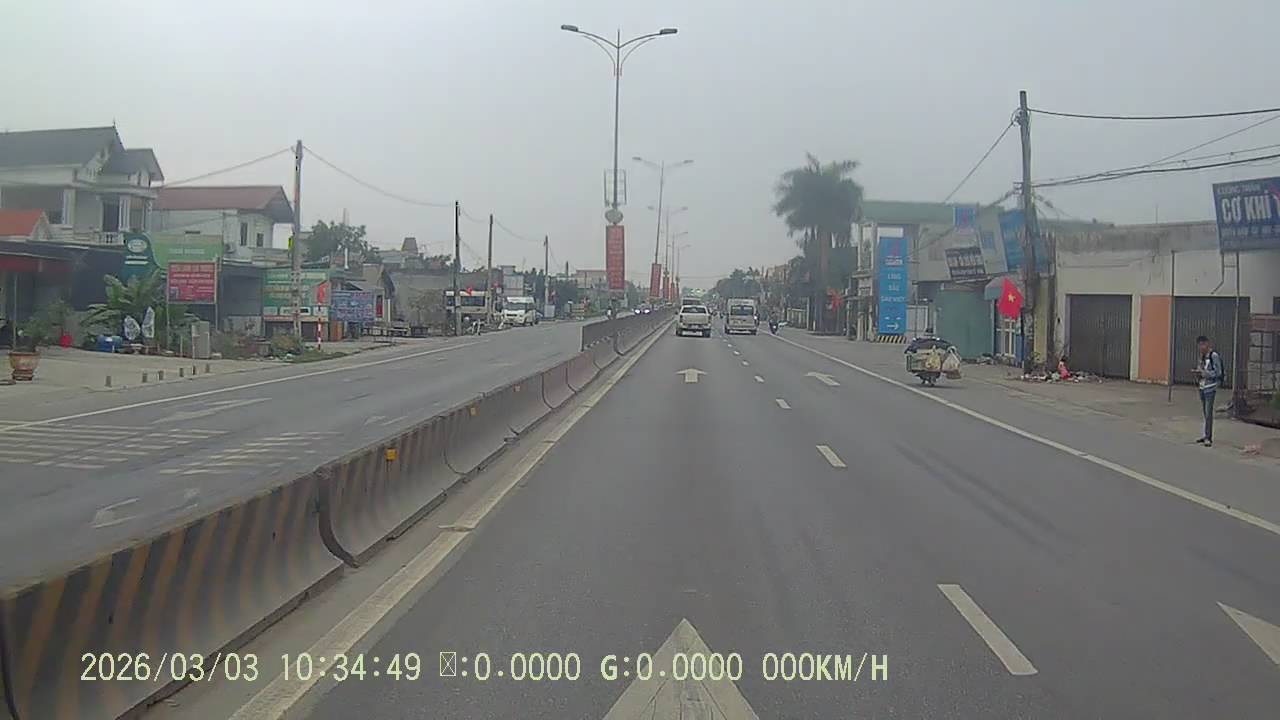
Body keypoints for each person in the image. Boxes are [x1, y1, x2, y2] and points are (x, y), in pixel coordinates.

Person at [1193, 335, 1224, 447]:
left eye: (1203, 344)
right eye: (1199, 345)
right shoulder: (1201, 357)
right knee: (1205, 413)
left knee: (1208, 413)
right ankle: (1206, 434)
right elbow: (1200, 368)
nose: (1201, 347)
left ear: (1207, 344)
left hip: (1210, 387)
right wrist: (1197, 373)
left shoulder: (1213, 356)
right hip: (1202, 387)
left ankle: (1208, 438)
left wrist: (1205, 374)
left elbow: (1218, 372)